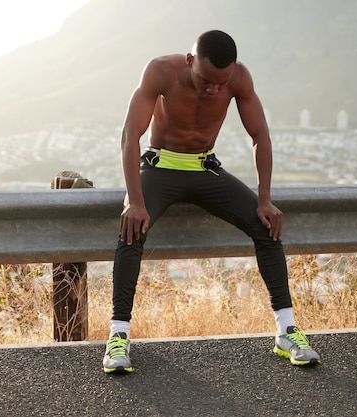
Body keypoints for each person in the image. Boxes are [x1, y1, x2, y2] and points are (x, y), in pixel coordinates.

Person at [102, 30, 321, 374]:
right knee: (132, 229)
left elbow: (260, 135)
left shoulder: (239, 78)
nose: (213, 90)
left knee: (266, 226)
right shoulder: (160, 71)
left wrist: (265, 199)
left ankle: (287, 331)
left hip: (205, 169)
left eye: (221, 84)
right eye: (206, 81)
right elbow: (132, 135)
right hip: (161, 167)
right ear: (190, 61)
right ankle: (118, 337)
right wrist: (134, 200)